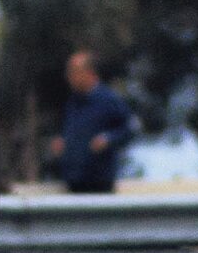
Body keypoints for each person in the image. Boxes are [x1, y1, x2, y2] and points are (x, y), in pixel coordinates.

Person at [49, 50, 136, 193]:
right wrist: (62, 143)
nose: (69, 77)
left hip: (99, 184)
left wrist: (108, 139)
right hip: (74, 183)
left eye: (74, 71)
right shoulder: (72, 103)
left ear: (89, 73)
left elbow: (129, 130)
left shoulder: (108, 100)